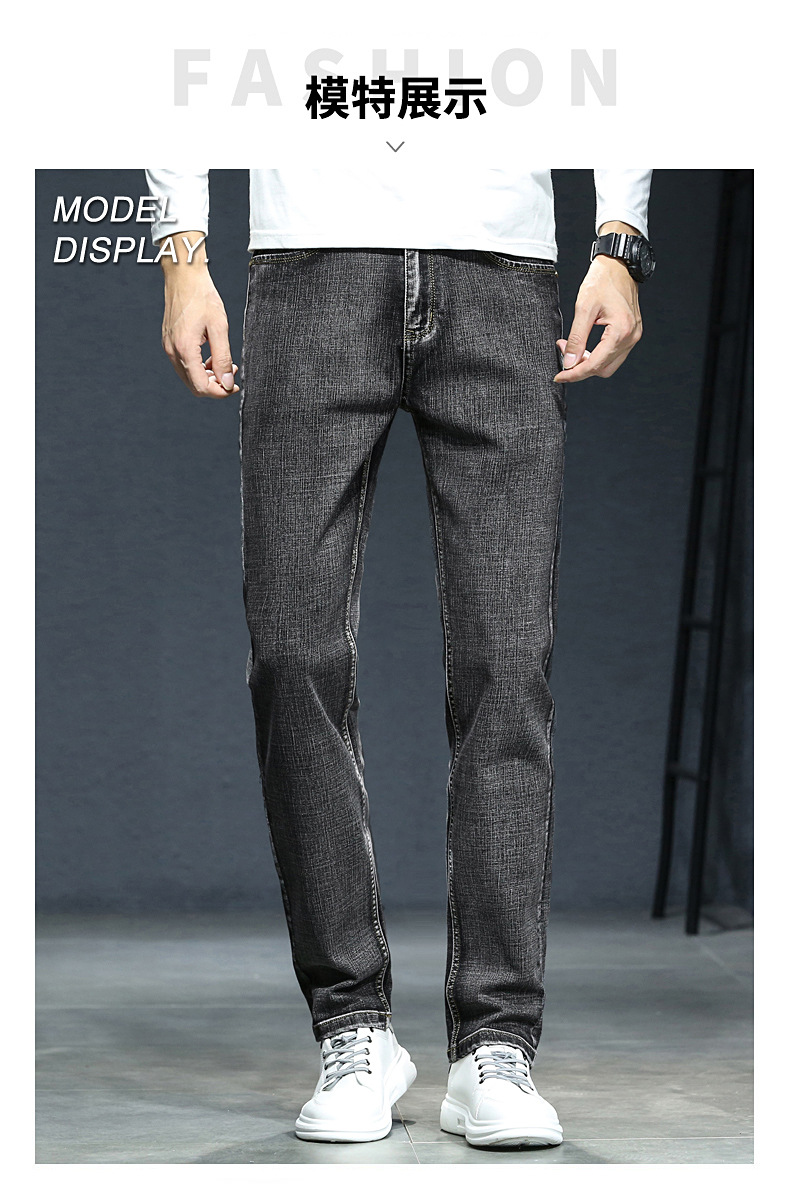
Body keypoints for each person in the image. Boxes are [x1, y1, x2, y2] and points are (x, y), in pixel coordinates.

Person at [146, 167, 653, 1149]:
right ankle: (353, 1028)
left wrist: (618, 240)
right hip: (311, 262)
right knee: (291, 653)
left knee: (508, 665)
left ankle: (496, 1042)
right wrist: (183, 253)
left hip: (501, 268)